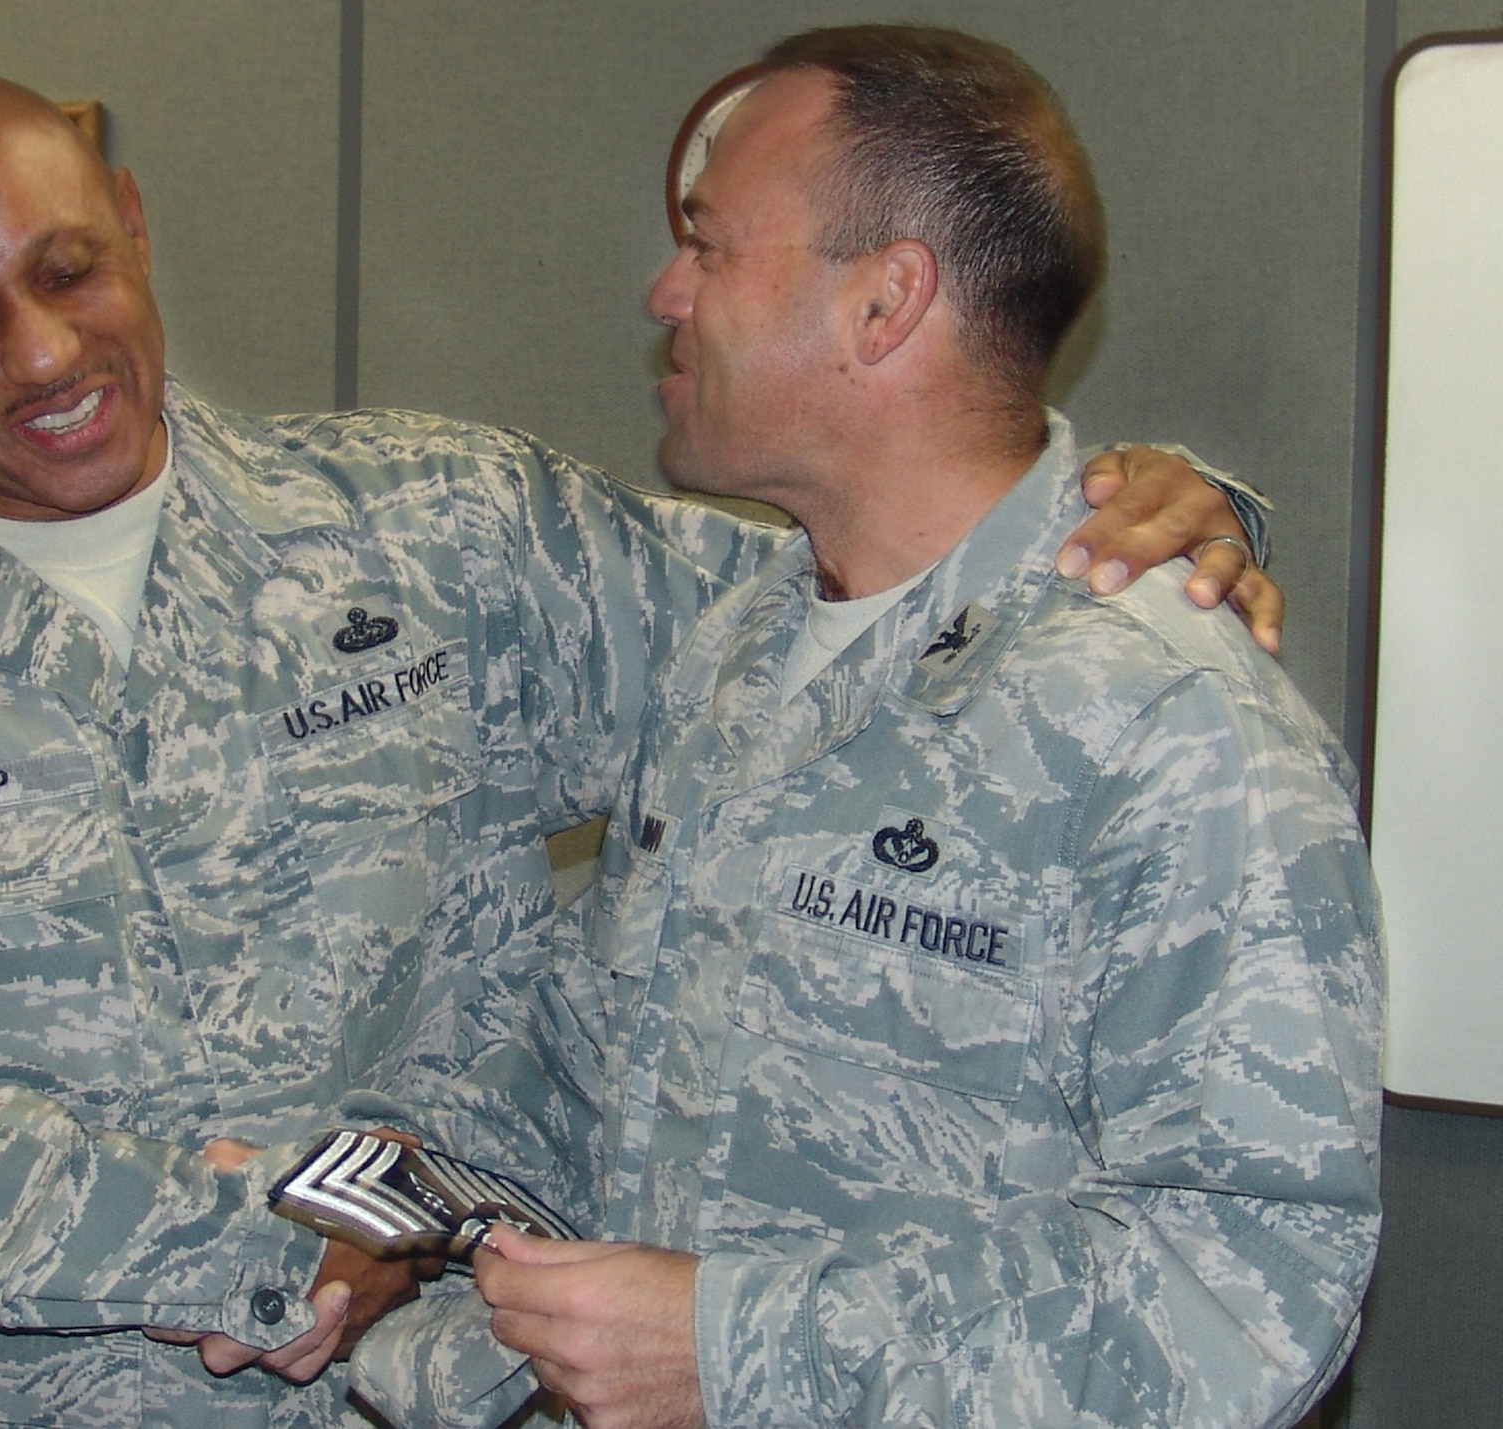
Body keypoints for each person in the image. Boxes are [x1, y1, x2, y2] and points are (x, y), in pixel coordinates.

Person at [0, 70, 1276, 1428]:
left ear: (133, 230)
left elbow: (857, 605)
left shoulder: (440, 537)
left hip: (402, 1400)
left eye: (70, 273)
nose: (49, 355)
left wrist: (1127, 526)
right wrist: (256, 1241)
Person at [473, 26, 1381, 1429]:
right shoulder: (743, 652)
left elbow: (1250, 1275)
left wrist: (739, 1348)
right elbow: (609, 1063)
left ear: (886, 303)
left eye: (709, 245)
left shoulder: (1158, 715)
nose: (666, 290)